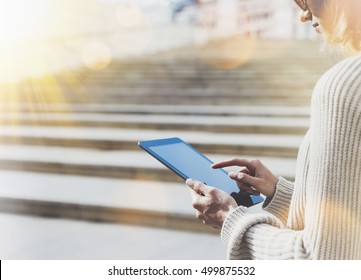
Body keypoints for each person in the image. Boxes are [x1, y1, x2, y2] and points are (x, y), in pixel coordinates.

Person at [186, 0, 361, 259]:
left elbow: (322, 260)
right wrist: (280, 192)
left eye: (306, 0)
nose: (304, 15)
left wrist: (230, 219)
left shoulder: (345, 86)